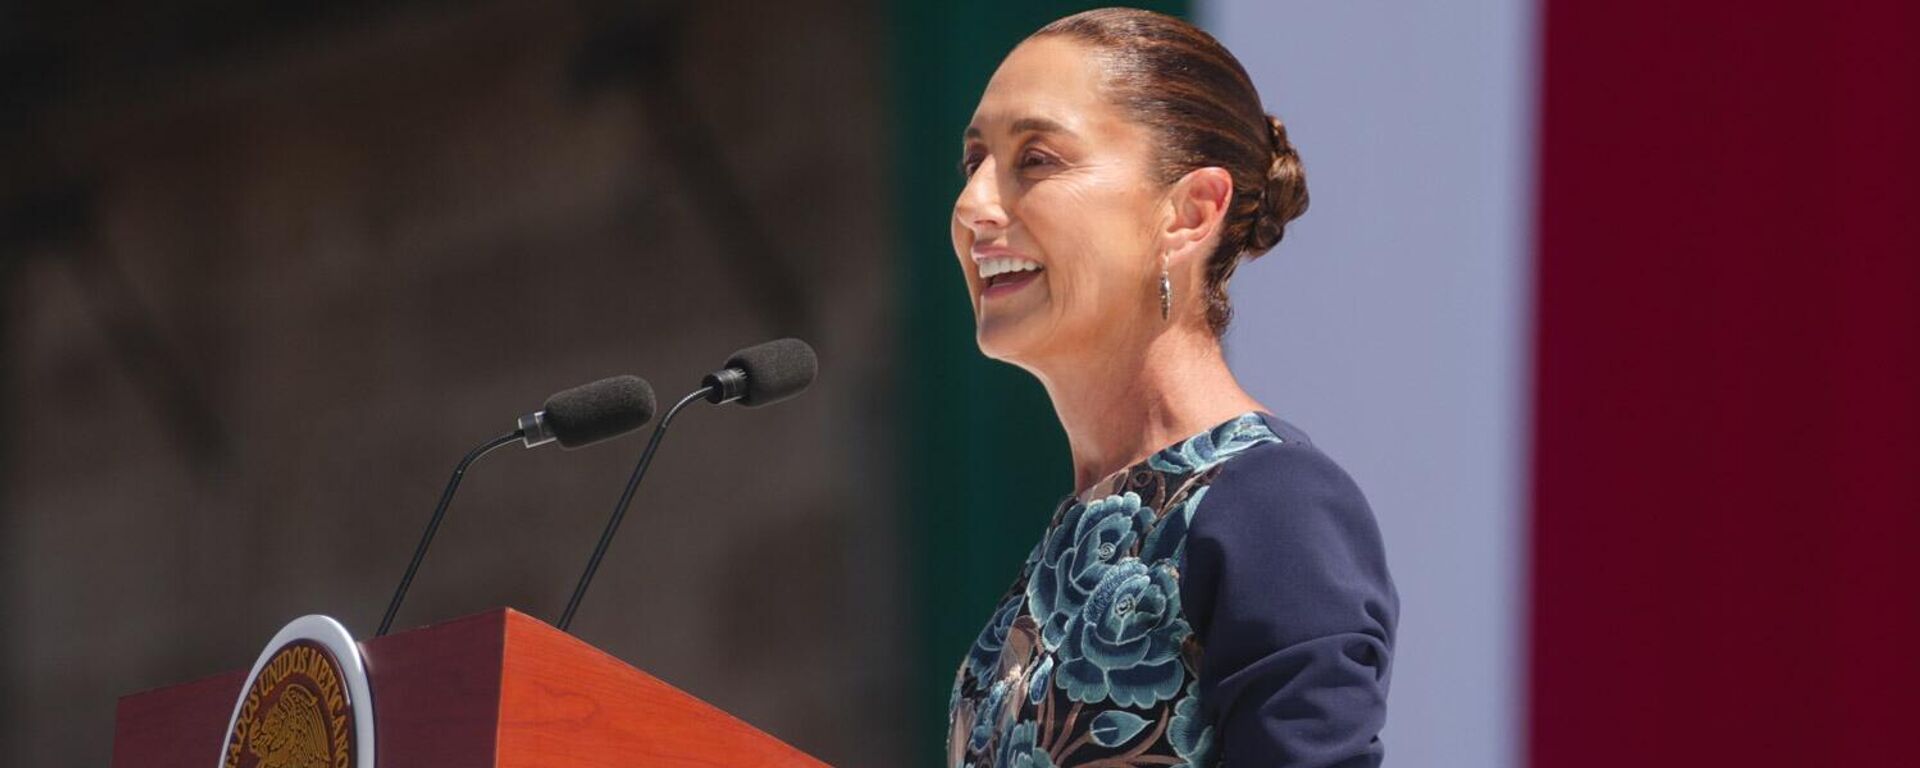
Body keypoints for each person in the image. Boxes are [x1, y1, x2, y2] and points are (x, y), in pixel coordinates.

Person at [944, 8, 1398, 767]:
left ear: (1189, 214)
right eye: (973, 163)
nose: (973, 207)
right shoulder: (1075, 528)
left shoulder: (1272, 503)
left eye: (1038, 159)